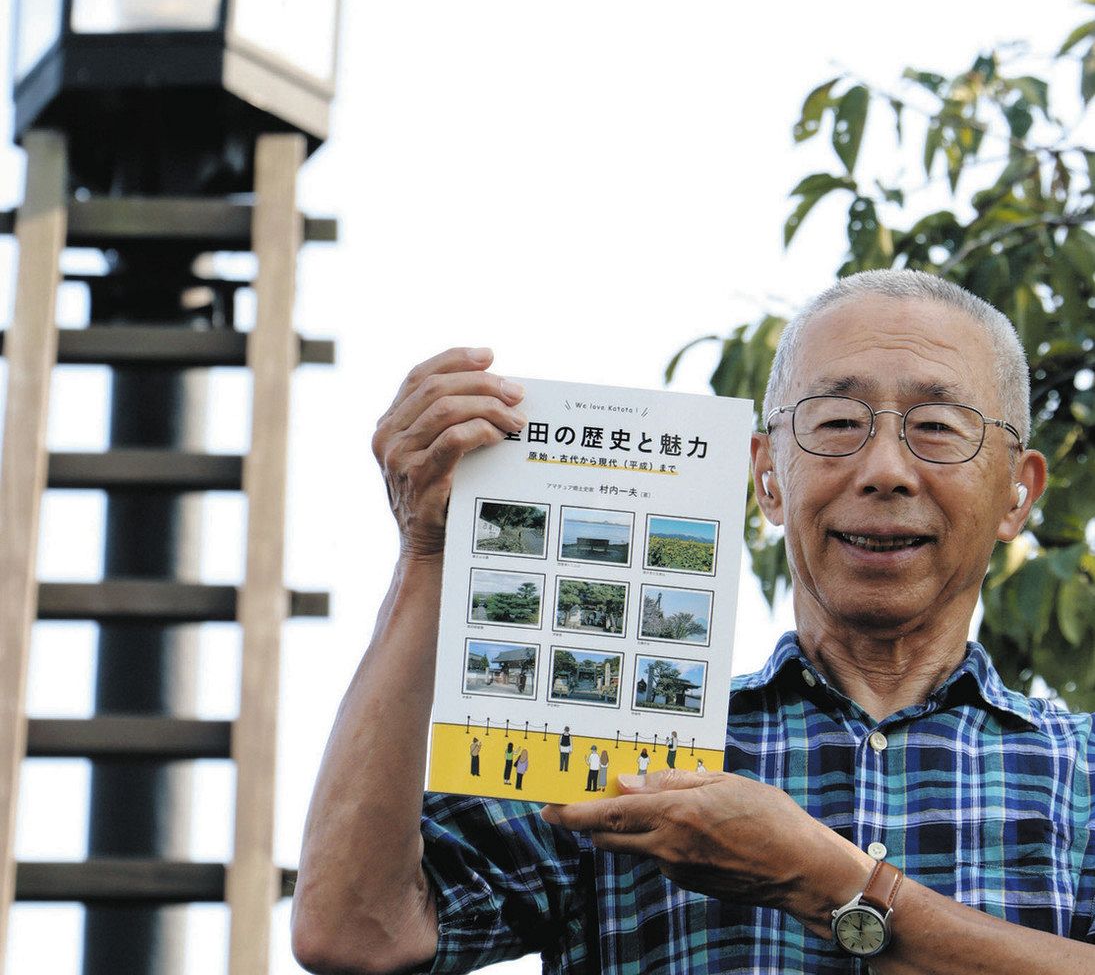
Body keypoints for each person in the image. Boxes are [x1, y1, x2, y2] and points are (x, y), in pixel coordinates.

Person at [292, 271, 1095, 975]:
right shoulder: (621, 743)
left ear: (1017, 494)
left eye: (936, 428)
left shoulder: (1082, 771)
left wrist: (828, 883)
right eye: (837, 422)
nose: (884, 470)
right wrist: (429, 552)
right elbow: (355, 934)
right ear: (766, 479)